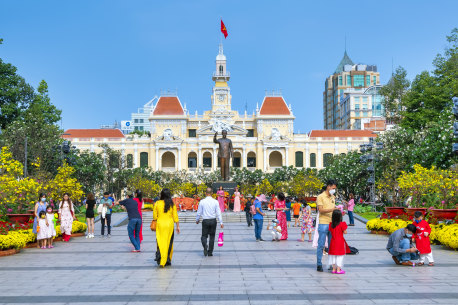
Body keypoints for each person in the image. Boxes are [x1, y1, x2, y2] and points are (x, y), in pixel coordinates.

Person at [153, 188, 180, 267]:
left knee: (160, 242)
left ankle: (161, 259)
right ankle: (167, 260)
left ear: (161, 194)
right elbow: (175, 216)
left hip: (160, 224)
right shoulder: (172, 204)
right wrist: (178, 226)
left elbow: (154, 216)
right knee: (169, 242)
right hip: (169, 225)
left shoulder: (157, 203)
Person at [316, 180, 337, 272]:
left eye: (335, 189)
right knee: (321, 244)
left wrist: (338, 212)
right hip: (323, 222)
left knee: (332, 245)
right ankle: (319, 264)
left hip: (332, 223)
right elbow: (321, 210)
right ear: (328, 186)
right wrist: (332, 209)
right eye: (333, 188)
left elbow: (333, 209)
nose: (334, 190)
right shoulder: (320, 197)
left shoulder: (333, 197)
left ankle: (331, 264)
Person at [196, 187, 224, 256]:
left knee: (204, 236)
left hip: (205, 220)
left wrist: (197, 219)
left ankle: (205, 245)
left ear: (205, 193)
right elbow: (218, 212)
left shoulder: (202, 201)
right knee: (212, 236)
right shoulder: (215, 201)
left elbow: (199, 212)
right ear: (212, 193)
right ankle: (210, 252)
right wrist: (221, 222)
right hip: (213, 220)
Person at [328, 210, 348, 274]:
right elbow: (345, 232)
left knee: (333, 255)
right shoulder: (342, 224)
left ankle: (333, 269)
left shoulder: (331, 224)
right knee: (339, 256)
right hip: (340, 242)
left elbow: (331, 231)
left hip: (333, 241)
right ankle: (338, 270)